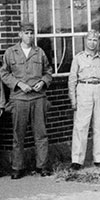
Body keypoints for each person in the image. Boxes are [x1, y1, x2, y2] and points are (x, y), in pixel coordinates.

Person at [0, 22, 52, 179]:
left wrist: (42, 82)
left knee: (41, 134)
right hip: (19, 99)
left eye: (31, 33)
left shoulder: (39, 52)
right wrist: (19, 84)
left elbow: (48, 71)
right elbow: (4, 74)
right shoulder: (11, 52)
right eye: (26, 33)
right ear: (20, 34)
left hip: (38, 98)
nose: (30, 36)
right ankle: (17, 167)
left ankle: (42, 166)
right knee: (18, 135)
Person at [68, 30, 100, 170]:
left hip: (99, 88)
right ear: (85, 41)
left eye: (95, 40)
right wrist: (73, 99)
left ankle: (99, 158)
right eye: (90, 39)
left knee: (99, 125)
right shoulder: (79, 58)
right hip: (84, 89)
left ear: (98, 41)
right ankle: (77, 160)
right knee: (81, 126)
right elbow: (72, 80)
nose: (92, 42)